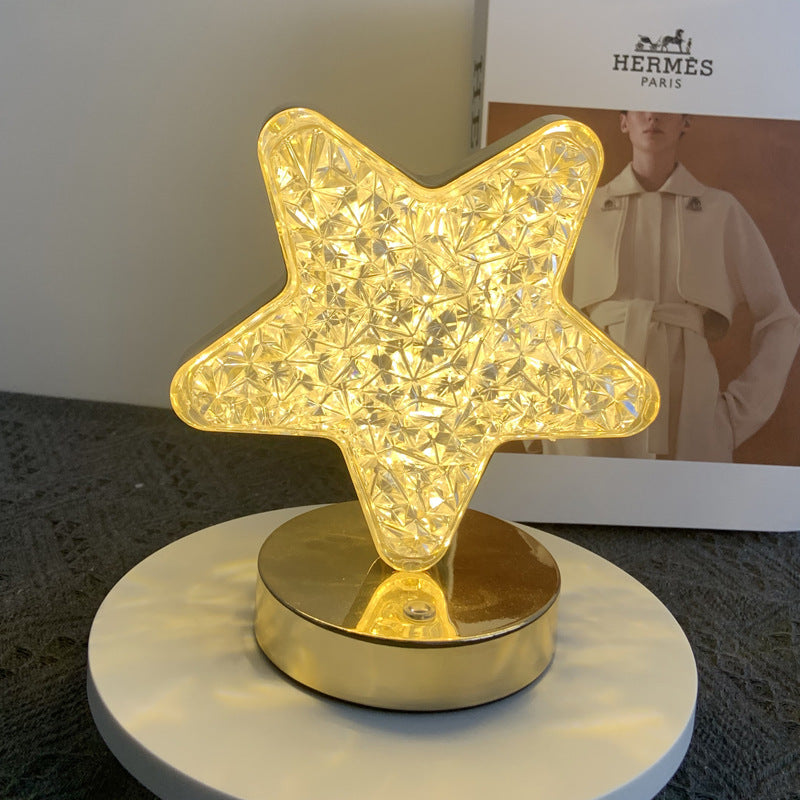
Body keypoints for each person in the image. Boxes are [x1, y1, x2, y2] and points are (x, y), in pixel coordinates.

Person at [548, 110, 800, 461]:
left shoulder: (720, 210)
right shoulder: (583, 211)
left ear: (686, 121)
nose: (653, 115)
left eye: (666, 107)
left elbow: (780, 319)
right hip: (593, 408)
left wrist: (735, 417)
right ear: (624, 121)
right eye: (641, 106)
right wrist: (548, 421)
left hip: (692, 415)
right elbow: (534, 318)